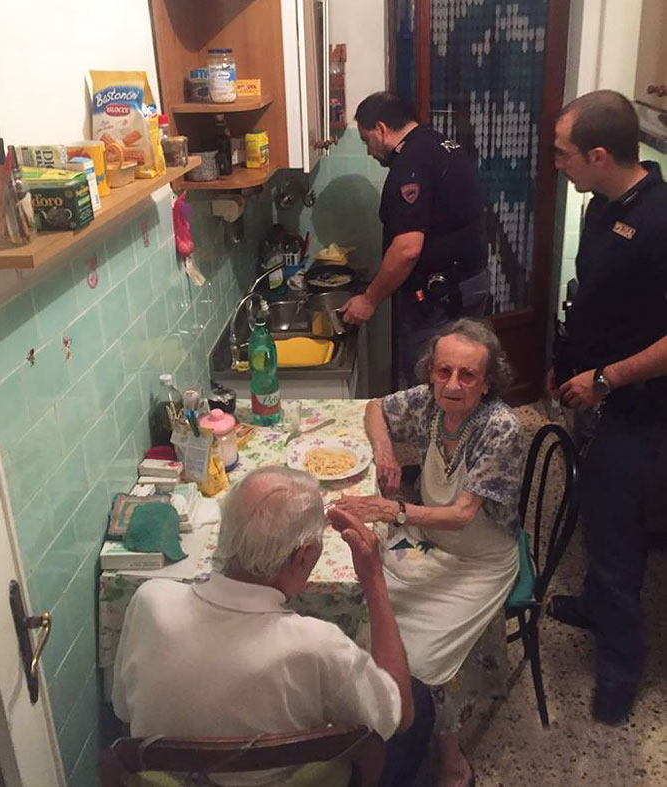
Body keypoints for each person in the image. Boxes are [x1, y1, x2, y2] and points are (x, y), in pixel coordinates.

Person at [112, 466, 435, 787]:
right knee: (417, 698)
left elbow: (125, 714)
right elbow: (400, 714)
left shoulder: (149, 601)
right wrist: (374, 579)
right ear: (303, 557)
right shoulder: (316, 645)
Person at [334, 319, 525, 787]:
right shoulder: (428, 403)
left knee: (422, 659)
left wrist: (393, 510)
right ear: (431, 371)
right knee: (364, 604)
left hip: (481, 559)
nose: (452, 385)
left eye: (467, 376)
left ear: (487, 382)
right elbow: (375, 407)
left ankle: (450, 755)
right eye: (443, 372)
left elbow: (462, 514)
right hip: (432, 540)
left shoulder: (499, 427)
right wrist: (385, 452)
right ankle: (374, 723)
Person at [547, 89, 667, 725]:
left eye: (563, 153)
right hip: (590, 386)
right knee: (594, 507)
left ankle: (620, 671)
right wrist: (566, 362)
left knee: (619, 536)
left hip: (639, 407)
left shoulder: (660, 222)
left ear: (598, 154)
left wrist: (606, 378)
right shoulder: (600, 206)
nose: (556, 163)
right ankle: (593, 604)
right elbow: (592, 296)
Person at [341, 91, 490, 387]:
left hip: (441, 298)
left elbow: (407, 249)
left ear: (381, 129)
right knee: (460, 378)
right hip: (468, 283)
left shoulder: (411, 164)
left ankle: (425, 434)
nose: (369, 151)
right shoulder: (437, 143)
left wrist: (369, 300)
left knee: (428, 382)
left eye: (365, 140)